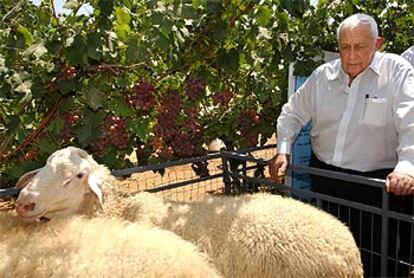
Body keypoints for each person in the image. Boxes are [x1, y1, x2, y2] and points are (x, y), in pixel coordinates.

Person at [269, 13, 414, 277]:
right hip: (325, 181)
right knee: (325, 256)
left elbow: (411, 123)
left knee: (376, 260)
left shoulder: (397, 72)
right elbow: (292, 113)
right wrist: (283, 149)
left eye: (360, 46)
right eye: (345, 47)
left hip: (375, 187)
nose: (351, 55)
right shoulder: (323, 76)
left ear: (378, 43)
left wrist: (406, 167)